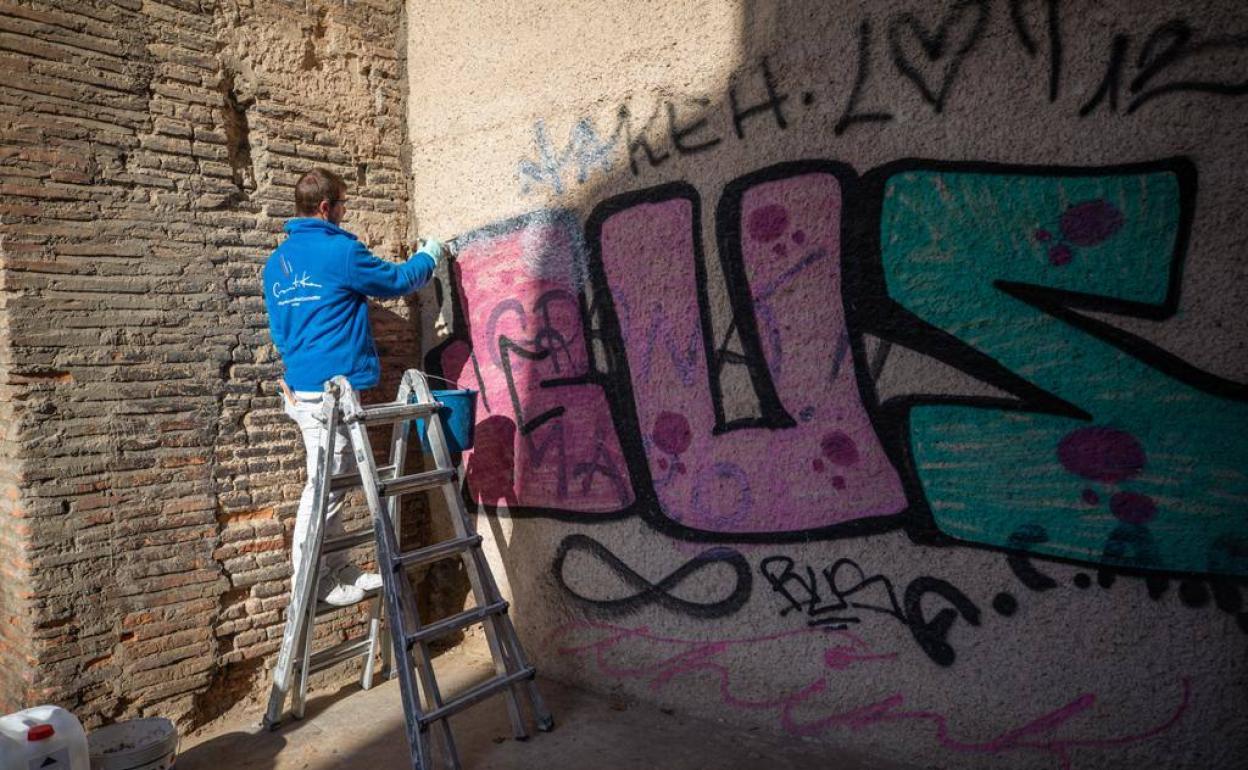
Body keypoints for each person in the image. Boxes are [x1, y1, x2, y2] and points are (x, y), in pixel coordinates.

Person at [263, 168, 444, 606]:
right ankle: (312, 582)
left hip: (304, 389)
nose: (345, 212)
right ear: (326, 207)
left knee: (333, 483)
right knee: (325, 486)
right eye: (343, 204)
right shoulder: (340, 252)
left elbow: (281, 332)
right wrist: (430, 257)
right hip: (329, 394)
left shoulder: (275, 265)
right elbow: (396, 281)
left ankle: (339, 566)